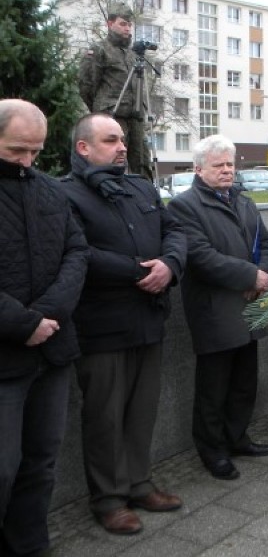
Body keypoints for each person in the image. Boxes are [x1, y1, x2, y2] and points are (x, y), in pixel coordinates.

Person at [60, 114, 186, 535]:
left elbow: (175, 231)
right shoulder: (66, 194)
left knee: (142, 411)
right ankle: (109, 498)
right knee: (105, 416)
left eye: (122, 140)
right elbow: (79, 253)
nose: (122, 147)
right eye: (111, 140)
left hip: (148, 319)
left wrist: (169, 264)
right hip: (102, 324)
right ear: (84, 148)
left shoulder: (141, 187)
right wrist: (138, 271)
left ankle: (138, 482)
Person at [0, 100, 88, 557]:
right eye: (17, 151)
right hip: (6, 357)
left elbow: (77, 252)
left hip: (52, 350)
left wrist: (49, 314)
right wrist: (24, 322)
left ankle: (31, 546)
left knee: (42, 461)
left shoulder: (51, 190)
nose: (27, 162)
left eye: (35, 151)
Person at [168, 135, 268, 482]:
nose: (227, 170)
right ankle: (212, 450)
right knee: (213, 389)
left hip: (249, 307)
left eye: (230, 164)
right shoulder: (184, 206)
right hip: (215, 311)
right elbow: (201, 257)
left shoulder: (244, 203)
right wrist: (250, 276)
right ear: (199, 169)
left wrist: (263, 277)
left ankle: (237, 437)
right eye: (219, 165)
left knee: (244, 382)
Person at [78, 4, 153, 180]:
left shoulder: (133, 54)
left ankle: (146, 197)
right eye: (123, 24)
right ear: (110, 24)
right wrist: (101, 111)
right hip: (112, 114)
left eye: (129, 25)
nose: (127, 28)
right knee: (110, 159)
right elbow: (86, 84)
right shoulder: (99, 50)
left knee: (142, 161)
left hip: (135, 116)